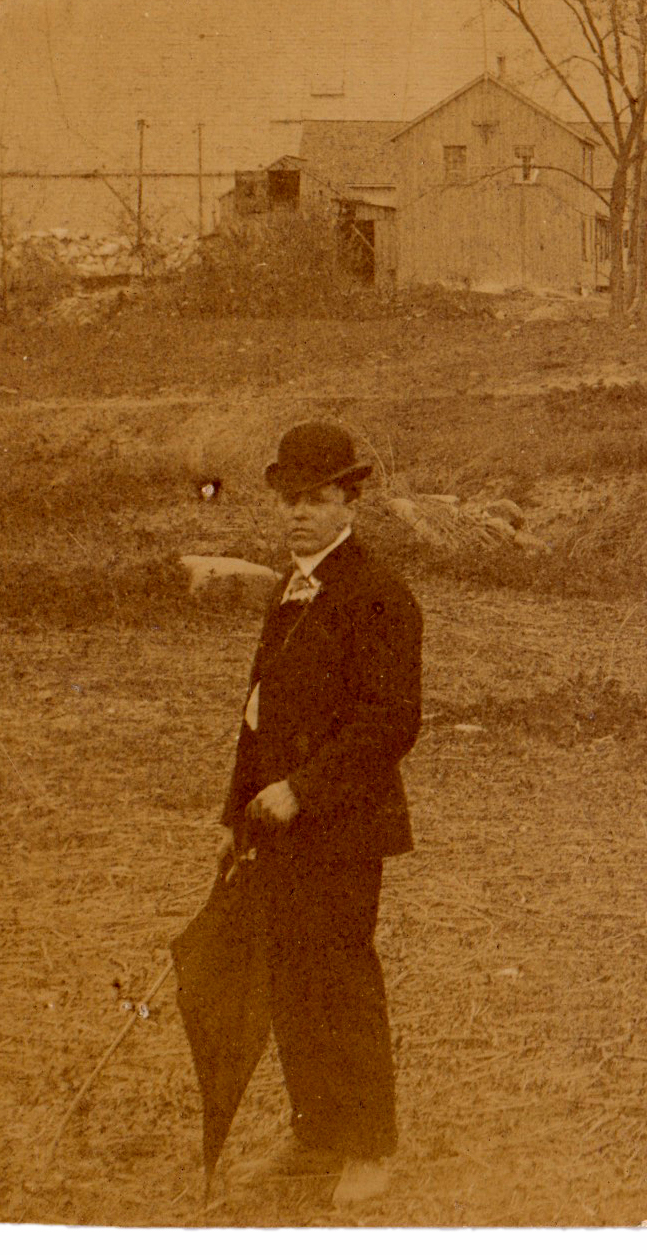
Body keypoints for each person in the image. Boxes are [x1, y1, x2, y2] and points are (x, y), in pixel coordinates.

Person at [219, 418, 423, 1210]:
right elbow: (258, 711)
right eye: (290, 499)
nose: (299, 512)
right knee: (291, 981)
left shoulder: (379, 593)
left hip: (342, 824)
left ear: (350, 500)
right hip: (278, 826)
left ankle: (368, 1145)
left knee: (341, 978)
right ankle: (316, 1133)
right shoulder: (290, 586)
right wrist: (236, 816)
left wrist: (303, 788)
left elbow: (390, 722)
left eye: (316, 497)